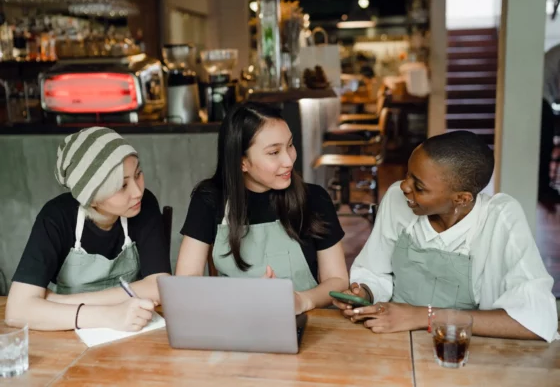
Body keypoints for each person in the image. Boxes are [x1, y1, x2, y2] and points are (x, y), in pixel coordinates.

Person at [333, 130, 559, 343]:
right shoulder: (397, 198)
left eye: (419, 187)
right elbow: (375, 269)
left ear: (461, 199)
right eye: (408, 175)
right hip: (392, 336)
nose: (404, 186)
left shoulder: (500, 218)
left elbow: (537, 320)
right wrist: (365, 292)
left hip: (461, 346)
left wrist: (424, 316)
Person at [176, 102, 348, 314]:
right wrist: (243, 297)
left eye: (290, 145)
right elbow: (186, 278)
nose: (289, 160)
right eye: (274, 152)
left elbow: (338, 280)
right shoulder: (209, 199)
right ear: (242, 162)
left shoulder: (314, 198)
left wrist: (302, 301)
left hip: (309, 322)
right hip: (233, 321)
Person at [6, 127, 171, 331]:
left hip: (132, 327)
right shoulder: (56, 217)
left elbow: (159, 287)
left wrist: (61, 302)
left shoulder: (144, 206)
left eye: (138, 174)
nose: (138, 191)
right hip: (65, 332)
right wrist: (109, 315)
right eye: (122, 186)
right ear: (91, 198)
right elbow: (17, 311)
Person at [541, 44, 560, 204]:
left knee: (545, 147)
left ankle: (543, 188)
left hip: (543, 98)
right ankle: (543, 190)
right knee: (545, 147)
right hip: (541, 98)